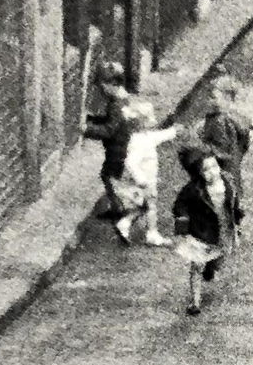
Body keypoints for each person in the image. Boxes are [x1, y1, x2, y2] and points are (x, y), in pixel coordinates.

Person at [85, 60, 169, 246]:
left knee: (111, 177)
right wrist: (92, 119)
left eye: (103, 86)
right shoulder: (121, 100)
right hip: (117, 148)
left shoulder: (117, 105)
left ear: (112, 85)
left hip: (118, 149)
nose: (102, 90)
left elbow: (109, 129)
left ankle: (121, 209)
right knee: (108, 176)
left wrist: (87, 128)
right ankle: (120, 209)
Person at [170, 143, 238, 316]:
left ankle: (211, 266)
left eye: (214, 166)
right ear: (198, 172)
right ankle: (195, 302)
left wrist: (237, 223)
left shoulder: (227, 182)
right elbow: (180, 205)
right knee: (197, 265)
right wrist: (182, 226)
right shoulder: (194, 189)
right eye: (206, 169)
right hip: (201, 232)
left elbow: (233, 204)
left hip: (223, 228)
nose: (212, 172)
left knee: (221, 256)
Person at [198, 70, 252, 230]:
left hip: (221, 166)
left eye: (214, 97)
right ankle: (233, 223)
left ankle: (220, 229)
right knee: (232, 192)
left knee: (216, 195)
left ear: (227, 98)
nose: (210, 101)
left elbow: (220, 149)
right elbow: (244, 143)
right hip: (233, 165)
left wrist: (202, 146)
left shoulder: (219, 121)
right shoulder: (238, 119)